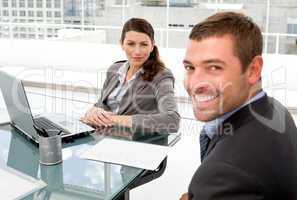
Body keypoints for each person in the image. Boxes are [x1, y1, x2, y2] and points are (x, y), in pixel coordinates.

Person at [180, 12, 297, 200]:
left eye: (214, 67)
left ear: (253, 69)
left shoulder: (225, 174)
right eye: (190, 68)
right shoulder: (275, 110)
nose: (195, 83)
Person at [81, 18, 180, 133]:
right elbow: (103, 104)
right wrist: (93, 111)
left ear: (152, 46)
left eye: (143, 44)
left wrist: (114, 120)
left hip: (134, 143)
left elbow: (172, 121)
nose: (137, 51)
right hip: (99, 135)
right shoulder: (114, 69)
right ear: (122, 44)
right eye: (131, 44)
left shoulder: (161, 76)